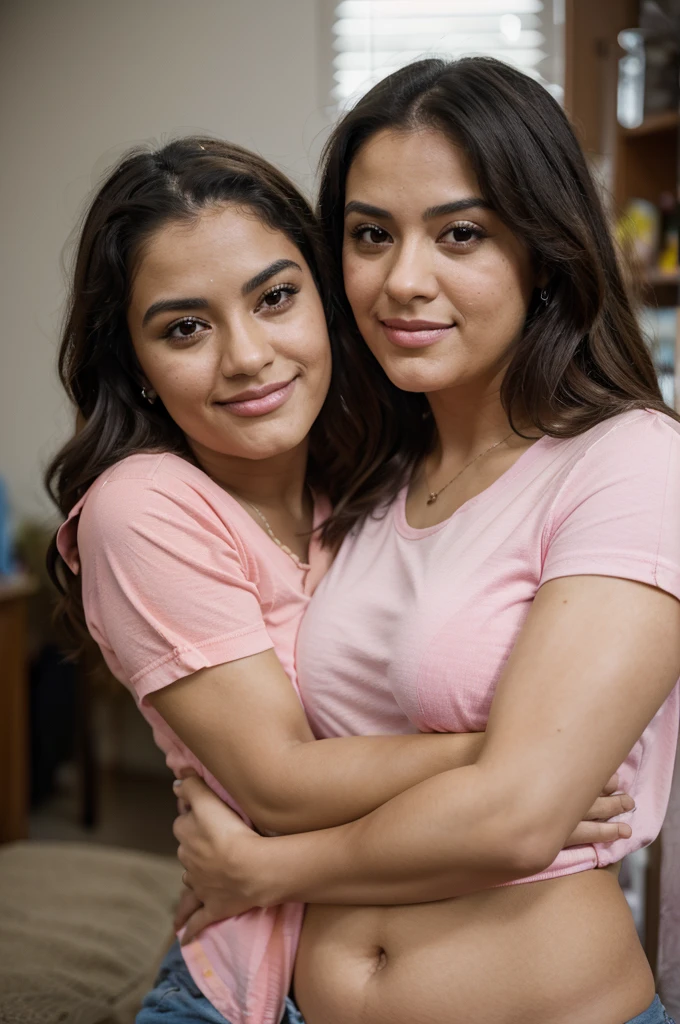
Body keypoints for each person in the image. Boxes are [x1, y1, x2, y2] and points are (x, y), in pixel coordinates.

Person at [46, 137, 620, 1024]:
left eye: (275, 298)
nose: (245, 356)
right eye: (185, 328)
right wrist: (530, 764)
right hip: (244, 993)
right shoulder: (141, 506)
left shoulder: (372, 486)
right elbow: (277, 783)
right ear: (139, 367)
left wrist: (535, 773)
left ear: (327, 300)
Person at [170, 59, 680, 1024]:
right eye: (370, 236)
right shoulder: (366, 482)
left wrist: (266, 868)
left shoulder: (631, 461)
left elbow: (519, 817)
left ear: (545, 250)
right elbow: (306, 762)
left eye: (460, 233)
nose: (403, 281)